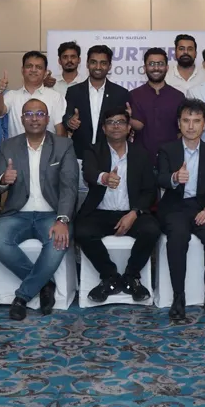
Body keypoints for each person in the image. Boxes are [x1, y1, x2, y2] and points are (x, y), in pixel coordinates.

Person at [0, 99, 79, 320]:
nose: (34, 118)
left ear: (47, 119)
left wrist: (62, 219)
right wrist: (3, 179)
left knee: (58, 241)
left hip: (51, 214)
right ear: (22, 120)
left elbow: (69, 187)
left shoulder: (63, 145)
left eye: (40, 114)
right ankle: (44, 283)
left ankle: (22, 296)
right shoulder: (8, 146)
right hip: (17, 214)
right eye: (29, 114)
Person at [76, 105, 160, 303]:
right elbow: (89, 173)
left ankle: (132, 276)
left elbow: (150, 191)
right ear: (104, 128)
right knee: (81, 231)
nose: (116, 126)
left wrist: (134, 213)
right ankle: (109, 276)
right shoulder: (93, 151)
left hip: (130, 212)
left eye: (121, 122)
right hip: (100, 212)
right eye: (111, 122)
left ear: (129, 127)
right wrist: (104, 178)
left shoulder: (141, 154)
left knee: (152, 229)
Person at [156, 98, 205, 322]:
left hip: (202, 207)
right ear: (179, 123)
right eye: (186, 120)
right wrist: (175, 177)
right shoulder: (167, 150)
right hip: (176, 207)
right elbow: (160, 178)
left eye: (196, 121)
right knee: (178, 237)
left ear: (204, 124)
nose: (191, 126)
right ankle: (178, 297)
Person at [63, 45, 130, 159]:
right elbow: (66, 118)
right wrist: (70, 122)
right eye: (93, 62)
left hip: (109, 156)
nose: (98, 67)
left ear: (109, 66)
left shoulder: (120, 93)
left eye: (103, 63)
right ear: (87, 64)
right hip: (79, 155)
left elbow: (123, 125)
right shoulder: (73, 91)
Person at [0, 51, 66, 138]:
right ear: (22, 70)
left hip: (48, 146)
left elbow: (59, 129)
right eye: (29, 66)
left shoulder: (55, 97)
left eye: (38, 67)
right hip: (17, 146)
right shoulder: (12, 95)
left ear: (45, 73)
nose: (33, 70)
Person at [130, 47, 185, 159]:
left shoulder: (178, 96)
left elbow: (181, 131)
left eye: (160, 64)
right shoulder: (133, 95)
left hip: (170, 159)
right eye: (151, 64)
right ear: (144, 68)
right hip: (141, 159)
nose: (156, 68)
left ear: (167, 68)